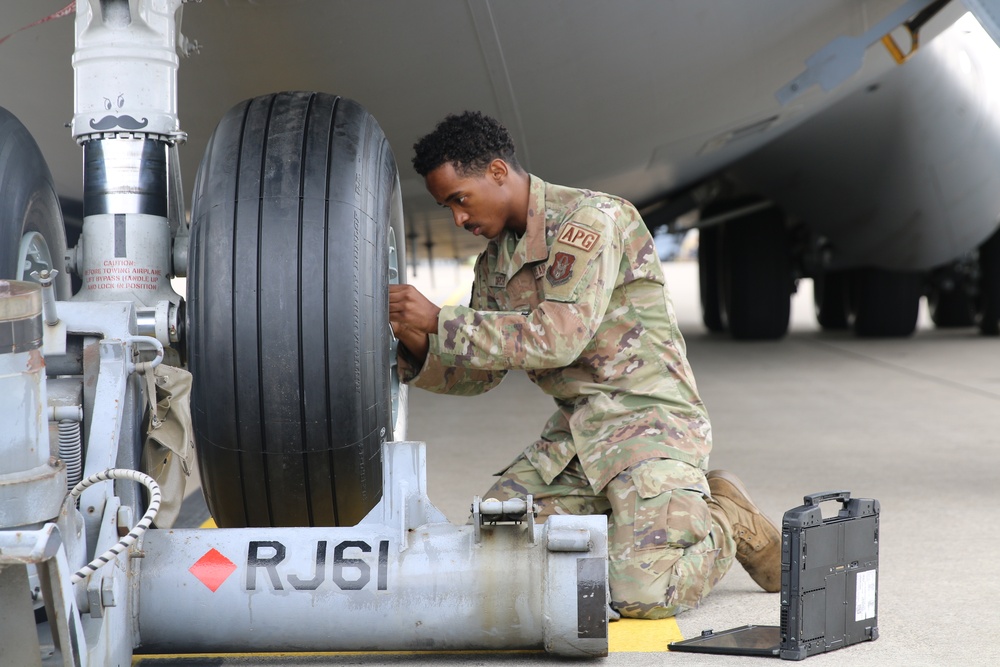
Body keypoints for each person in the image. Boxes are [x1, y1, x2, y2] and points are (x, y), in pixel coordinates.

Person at [388, 111, 780, 619]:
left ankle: (726, 516)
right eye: (448, 207)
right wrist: (417, 343)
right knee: (494, 550)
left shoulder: (590, 221)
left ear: (499, 172)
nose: (458, 219)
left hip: (649, 427)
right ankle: (640, 524)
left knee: (640, 594)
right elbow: (480, 376)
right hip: (578, 438)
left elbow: (557, 340)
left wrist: (441, 320)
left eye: (460, 199)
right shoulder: (495, 264)